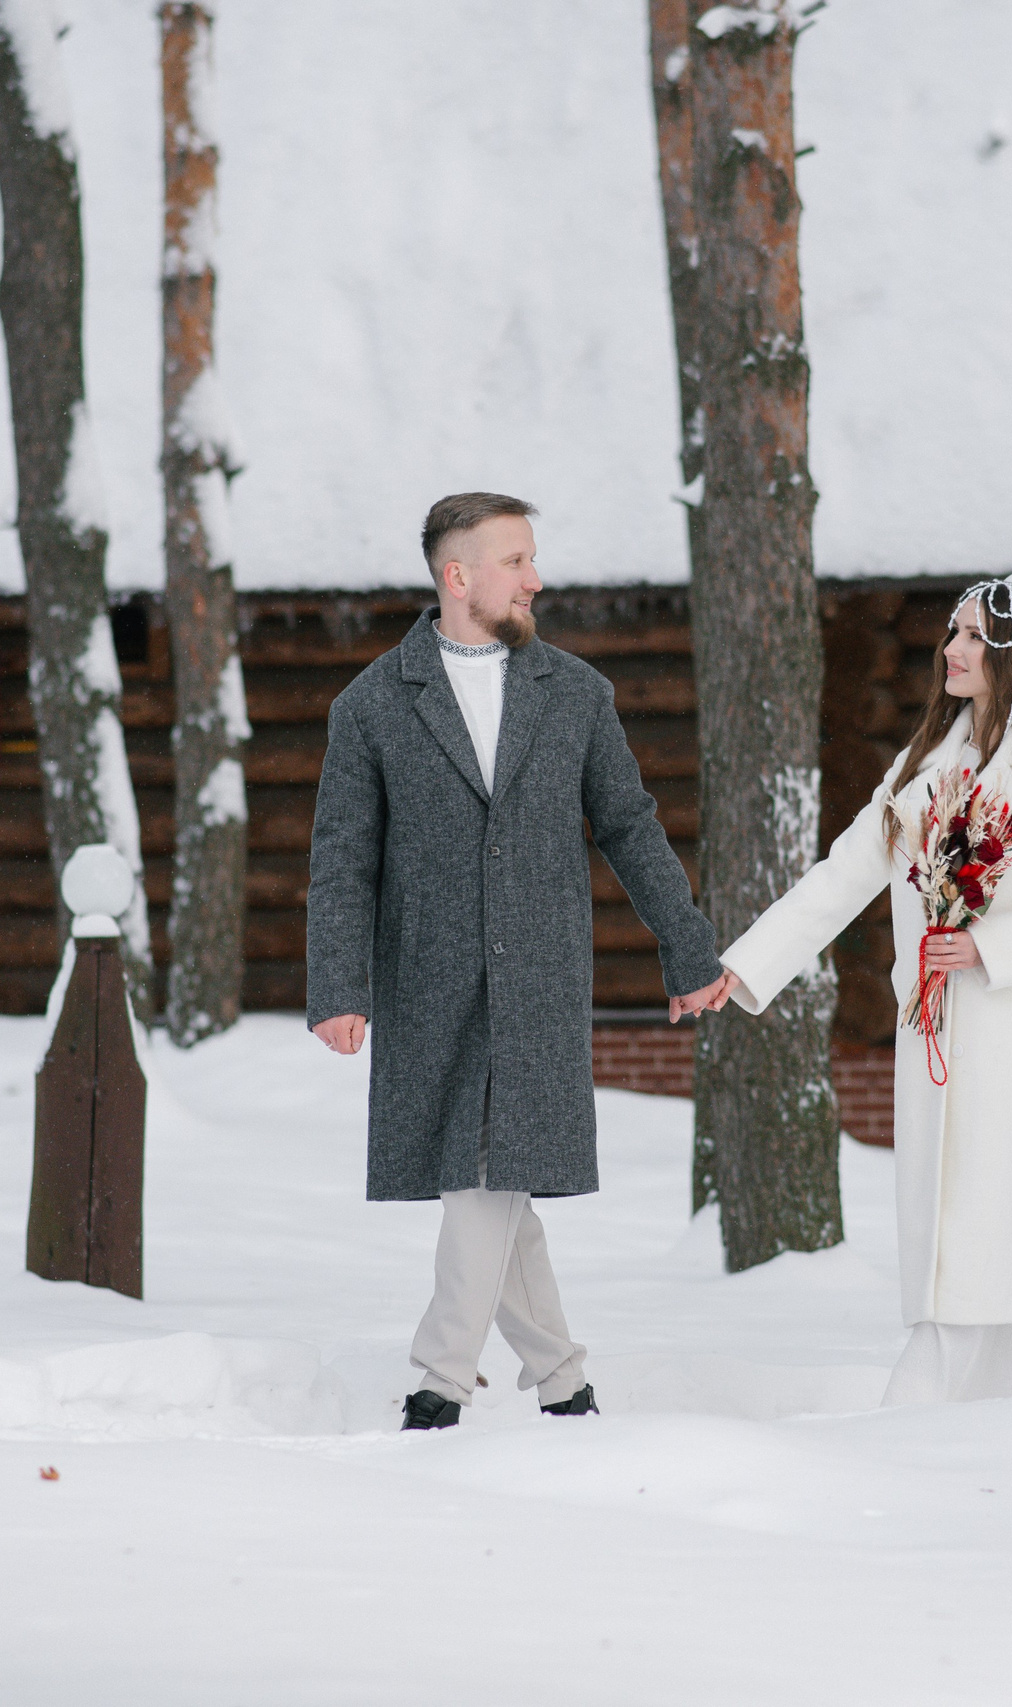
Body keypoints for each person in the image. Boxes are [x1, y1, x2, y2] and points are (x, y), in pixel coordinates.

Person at [306, 491, 735, 1431]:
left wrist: (688, 947)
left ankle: (439, 1380)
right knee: (490, 1182)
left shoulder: (575, 693)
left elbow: (628, 825)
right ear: (458, 576)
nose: (535, 578)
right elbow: (342, 858)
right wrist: (338, 985)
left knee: (487, 1179)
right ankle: (562, 1381)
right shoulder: (372, 705)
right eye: (515, 561)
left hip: (539, 983)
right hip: (428, 984)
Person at [717, 574, 1012, 1404]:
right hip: (937, 1038)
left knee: (1010, 1211)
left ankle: (995, 1388)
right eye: (954, 632)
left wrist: (987, 947)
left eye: (976, 637)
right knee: (946, 1209)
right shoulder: (926, 766)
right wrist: (746, 963)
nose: (953, 650)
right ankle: (961, 1382)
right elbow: (846, 872)